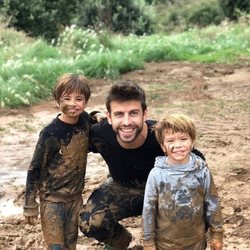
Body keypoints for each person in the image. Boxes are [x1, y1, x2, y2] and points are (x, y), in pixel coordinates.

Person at [79, 80, 206, 249]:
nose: (126, 122)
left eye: (133, 113)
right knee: (89, 221)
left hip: (163, 191)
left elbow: (198, 161)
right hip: (121, 187)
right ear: (109, 117)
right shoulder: (100, 134)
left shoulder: (161, 135)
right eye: (119, 114)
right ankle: (120, 242)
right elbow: (69, 136)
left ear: (144, 115)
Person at [23, 73, 96, 249]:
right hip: (52, 201)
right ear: (57, 101)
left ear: (85, 101)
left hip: (75, 198)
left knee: (71, 244)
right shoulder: (50, 133)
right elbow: (35, 169)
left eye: (79, 99)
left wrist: (98, 114)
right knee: (56, 247)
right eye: (67, 98)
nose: (73, 103)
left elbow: (94, 118)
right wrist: (29, 204)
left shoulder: (85, 120)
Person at [142, 114, 223, 250]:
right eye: (170, 140)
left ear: (192, 142)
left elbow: (212, 203)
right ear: (162, 146)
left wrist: (217, 234)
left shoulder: (202, 171)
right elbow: (148, 210)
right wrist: (148, 242)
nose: (178, 145)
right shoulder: (156, 175)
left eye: (183, 139)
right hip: (165, 244)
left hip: (196, 243)